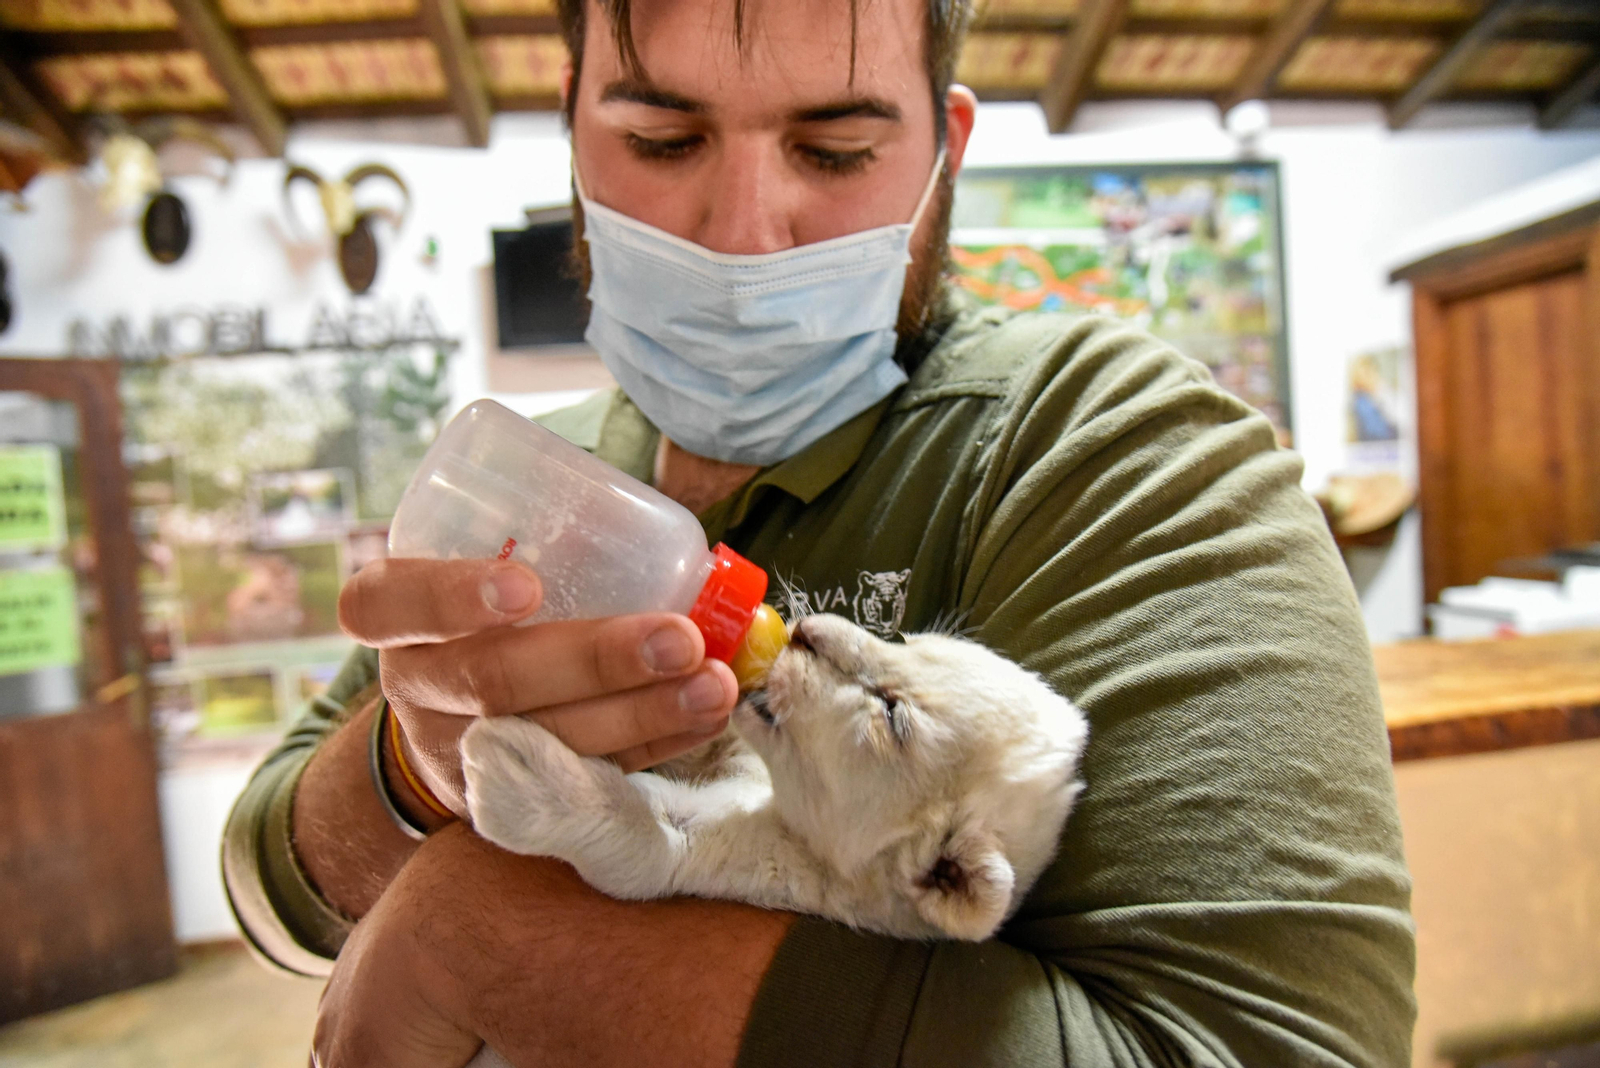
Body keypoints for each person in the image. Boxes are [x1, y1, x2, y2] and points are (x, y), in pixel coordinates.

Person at [223, 0, 1418, 1064]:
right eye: (662, 140)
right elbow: (272, 890)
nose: (744, 233)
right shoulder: (539, 476)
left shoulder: (1111, 455)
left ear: (942, 152)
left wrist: (491, 931)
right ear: (573, 130)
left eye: (835, 150)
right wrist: (411, 774)